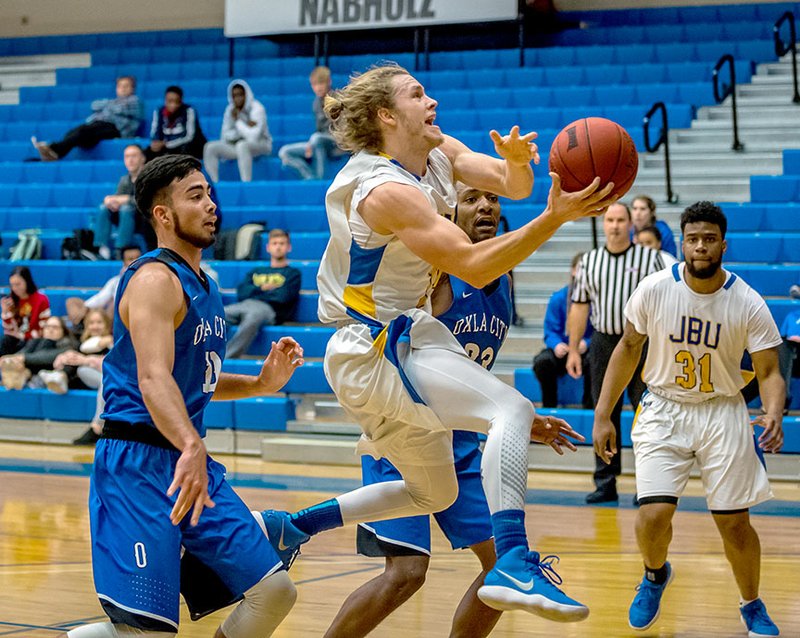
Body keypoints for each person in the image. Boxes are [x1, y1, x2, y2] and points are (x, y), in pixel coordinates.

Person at [256, 63, 617, 624]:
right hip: (372, 345)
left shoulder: (436, 151)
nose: (432, 100)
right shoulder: (382, 189)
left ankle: (294, 526)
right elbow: (472, 264)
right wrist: (553, 217)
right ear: (386, 115)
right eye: (417, 94)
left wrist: (519, 167)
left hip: (403, 338)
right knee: (512, 408)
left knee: (432, 492)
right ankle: (514, 559)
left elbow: (508, 183)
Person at [324, 183, 586, 638]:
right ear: (448, 211)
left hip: (461, 439)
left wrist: (518, 421)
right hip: (406, 426)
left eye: (492, 198)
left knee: (500, 569)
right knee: (405, 574)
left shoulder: (502, 278)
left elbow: (468, 368)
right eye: (470, 199)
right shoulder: (432, 270)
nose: (485, 205)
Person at [64, 155, 304, 638]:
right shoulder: (155, 279)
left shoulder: (206, 286)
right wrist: (192, 444)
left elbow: (194, 382)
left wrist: (259, 384)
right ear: (163, 215)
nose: (211, 204)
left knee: (275, 591)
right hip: (138, 462)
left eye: (210, 193)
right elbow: (153, 379)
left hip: (187, 460)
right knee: (148, 629)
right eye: (195, 196)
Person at [592, 201, 784, 637]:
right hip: (663, 406)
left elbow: (770, 370)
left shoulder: (747, 301)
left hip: (722, 410)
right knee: (653, 515)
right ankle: (655, 575)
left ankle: (751, 604)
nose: (700, 247)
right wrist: (604, 413)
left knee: (735, 523)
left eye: (709, 239)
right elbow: (626, 348)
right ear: (682, 242)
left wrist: (772, 411)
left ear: (723, 245)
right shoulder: (655, 288)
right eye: (693, 238)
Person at [566, 202, 664, 504]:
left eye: (621, 219)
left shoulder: (650, 258)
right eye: (609, 220)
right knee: (604, 411)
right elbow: (580, 305)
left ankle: (647, 483)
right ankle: (605, 481)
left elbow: (665, 303)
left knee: (646, 415)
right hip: (604, 342)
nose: (615, 225)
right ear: (603, 223)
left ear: (631, 223)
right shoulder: (590, 261)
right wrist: (572, 349)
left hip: (642, 343)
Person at [224, 229, 301, 359]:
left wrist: (256, 289)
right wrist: (266, 289)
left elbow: (283, 297)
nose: (278, 246)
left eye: (282, 243)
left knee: (253, 317)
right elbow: (242, 292)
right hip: (246, 304)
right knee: (219, 313)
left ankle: (227, 357)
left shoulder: (293, 273)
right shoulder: (257, 270)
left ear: (289, 247)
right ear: (268, 247)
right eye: (274, 243)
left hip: (269, 310)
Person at [32, 76, 143, 161]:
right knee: (76, 131)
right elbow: (94, 105)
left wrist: (106, 106)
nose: (122, 89)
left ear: (132, 88)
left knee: (84, 131)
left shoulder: (135, 101)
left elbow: (117, 108)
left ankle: (54, 150)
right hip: (98, 126)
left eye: (126, 86)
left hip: (116, 129)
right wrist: (109, 106)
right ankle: (53, 151)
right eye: (120, 86)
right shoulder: (113, 102)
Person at [532, 252, 593, 408]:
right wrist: (556, 344)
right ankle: (549, 406)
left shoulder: (597, 300)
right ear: (573, 270)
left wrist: (586, 343)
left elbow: (600, 330)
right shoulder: (558, 298)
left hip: (585, 350)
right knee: (542, 362)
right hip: (563, 350)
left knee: (596, 362)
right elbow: (550, 330)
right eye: (580, 268)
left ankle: (590, 408)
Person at [278, 66, 344, 180]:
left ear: (329, 82)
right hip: (319, 140)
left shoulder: (338, 99)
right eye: (314, 84)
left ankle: (320, 179)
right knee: (284, 152)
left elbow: (344, 129)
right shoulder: (316, 103)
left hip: (337, 144)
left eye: (321, 83)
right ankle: (310, 177)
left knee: (316, 139)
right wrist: (311, 144)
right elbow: (319, 129)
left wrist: (314, 140)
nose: (318, 88)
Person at [203, 79, 272, 183]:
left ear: (246, 94)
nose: (237, 98)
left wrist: (238, 121)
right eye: (234, 96)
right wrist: (245, 126)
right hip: (237, 145)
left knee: (242, 145)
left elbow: (253, 137)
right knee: (210, 147)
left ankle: (246, 183)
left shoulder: (257, 108)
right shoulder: (230, 110)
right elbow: (225, 135)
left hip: (261, 144)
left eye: (240, 95)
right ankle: (212, 185)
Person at [65, 245, 142, 332]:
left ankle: (83, 326)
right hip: (110, 317)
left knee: (115, 302)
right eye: (131, 259)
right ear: (124, 263)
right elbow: (101, 298)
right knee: (72, 301)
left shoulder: (149, 279)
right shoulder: (116, 280)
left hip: (131, 315)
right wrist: (85, 308)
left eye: (138, 258)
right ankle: (80, 325)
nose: (136, 261)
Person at [38, 308, 113, 395]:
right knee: (73, 357)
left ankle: (61, 377)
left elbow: (111, 366)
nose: (95, 326)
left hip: (98, 376)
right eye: (91, 323)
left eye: (99, 322)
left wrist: (86, 360)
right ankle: (59, 376)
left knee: (82, 369)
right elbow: (76, 354)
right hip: (78, 379)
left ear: (107, 324)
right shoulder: (82, 341)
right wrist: (64, 358)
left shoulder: (111, 342)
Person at [93, 145, 147, 259]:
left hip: (143, 218)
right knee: (104, 207)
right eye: (127, 157)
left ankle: (121, 248)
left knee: (126, 208)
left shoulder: (148, 177)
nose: (130, 160)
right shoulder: (124, 179)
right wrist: (110, 201)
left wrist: (126, 199)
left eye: (134, 156)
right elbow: (118, 199)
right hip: (125, 216)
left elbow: (148, 201)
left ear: (142, 158)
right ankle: (102, 248)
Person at [0, 316, 76, 390]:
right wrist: (12, 359)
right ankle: (16, 377)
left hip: (49, 374)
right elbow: (23, 353)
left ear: (63, 331)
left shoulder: (68, 345)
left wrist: (24, 358)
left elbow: (46, 357)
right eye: (47, 327)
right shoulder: (36, 341)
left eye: (55, 327)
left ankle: (22, 378)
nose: (50, 330)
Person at [146, 85, 206, 161]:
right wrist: (155, 143)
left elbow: (189, 137)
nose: (173, 105)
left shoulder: (189, 111)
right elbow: (154, 132)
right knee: (148, 152)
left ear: (181, 101)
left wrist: (167, 144)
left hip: (185, 146)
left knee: (185, 149)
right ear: (165, 100)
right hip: (165, 146)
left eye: (177, 102)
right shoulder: (159, 111)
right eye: (170, 101)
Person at [1, 266, 51, 356]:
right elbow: (8, 330)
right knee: (4, 340)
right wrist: (5, 312)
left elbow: (43, 327)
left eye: (18, 284)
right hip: (17, 339)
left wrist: (24, 336)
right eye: (12, 285)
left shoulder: (41, 299)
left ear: (27, 282)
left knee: (31, 343)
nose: (15, 288)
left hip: (34, 339)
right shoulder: (11, 300)